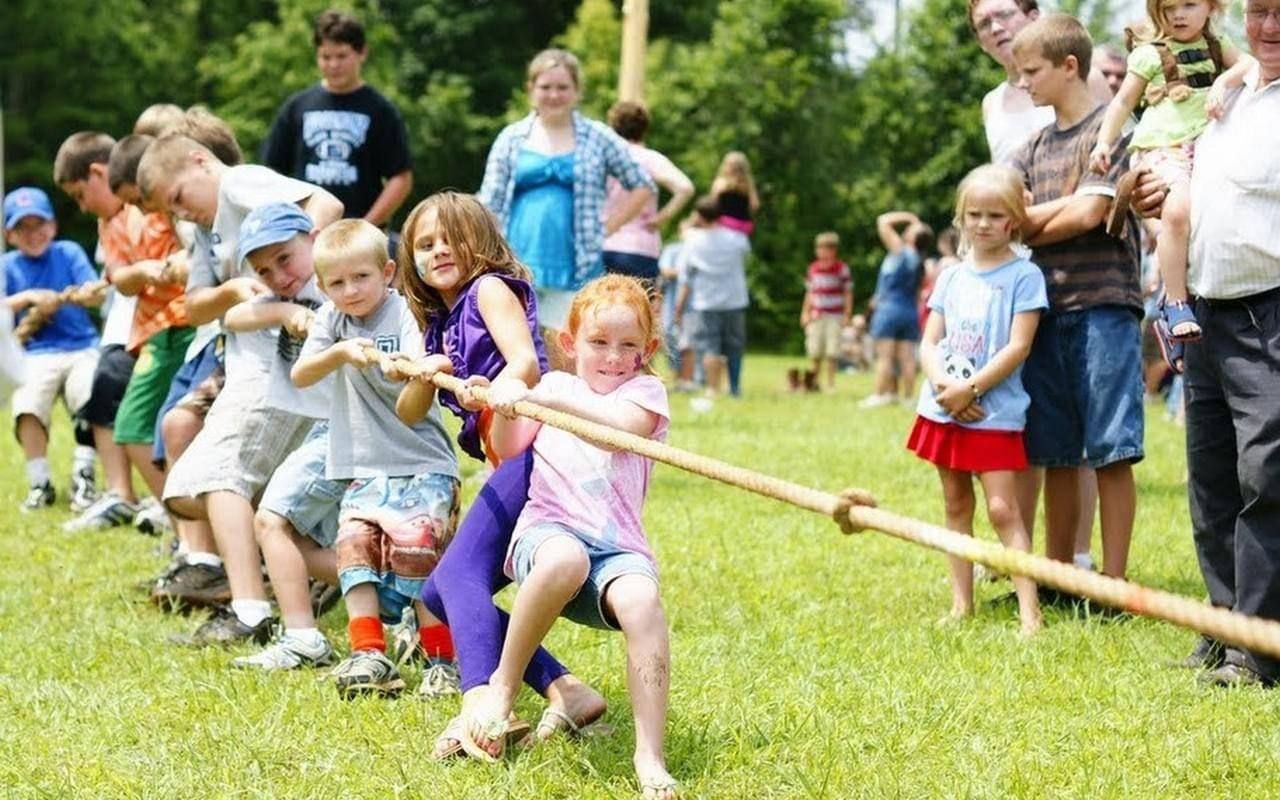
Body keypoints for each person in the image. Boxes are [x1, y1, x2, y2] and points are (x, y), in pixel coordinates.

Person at [394, 191, 603, 752]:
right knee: (441, 592)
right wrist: (425, 375)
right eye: (424, 244)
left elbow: (525, 361)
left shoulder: (488, 289)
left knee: (458, 576)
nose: (437, 251)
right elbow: (409, 411)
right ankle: (566, 689)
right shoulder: (437, 322)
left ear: (479, 242)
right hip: (506, 458)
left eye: (450, 239)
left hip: (536, 449)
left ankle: (480, 705)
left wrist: (499, 389)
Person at [459, 274, 678, 800]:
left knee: (643, 600)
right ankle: (502, 689)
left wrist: (545, 400)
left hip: (618, 549)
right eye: (599, 342)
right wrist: (502, 402)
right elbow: (508, 446)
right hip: (550, 534)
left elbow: (617, 425)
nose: (612, 356)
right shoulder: (553, 388)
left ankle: (650, 754)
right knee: (564, 558)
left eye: (628, 346)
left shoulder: (646, 393)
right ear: (570, 343)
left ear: (646, 351)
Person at [137, 133, 343, 646]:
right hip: (248, 359)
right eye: (171, 210)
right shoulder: (205, 231)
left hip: (275, 361)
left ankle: (251, 609)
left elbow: (327, 204)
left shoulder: (240, 184)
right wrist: (238, 288)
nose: (182, 213)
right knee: (201, 484)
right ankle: (288, 582)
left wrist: (297, 274)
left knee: (225, 475)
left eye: (180, 197)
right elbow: (199, 306)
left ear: (200, 161)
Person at [291, 219, 458, 698]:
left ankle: (442, 660)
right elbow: (303, 373)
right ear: (322, 287)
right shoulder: (331, 320)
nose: (350, 290)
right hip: (362, 465)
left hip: (421, 460)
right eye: (337, 283)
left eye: (361, 277)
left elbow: (413, 360)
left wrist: (401, 364)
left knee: (419, 555)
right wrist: (341, 352)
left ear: (387, 272)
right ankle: (369, 654)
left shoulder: (403, 312)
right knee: (354, 554)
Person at [1010, 14, 1144, 580]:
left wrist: (1027, 220)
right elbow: (999, 212)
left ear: (1070, 67)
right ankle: (1059, 572)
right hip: (1049, 311)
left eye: (1031, 71)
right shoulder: (1033, 146)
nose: (1023, 83)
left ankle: (1113, 580)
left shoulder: (1113, 132)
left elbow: (1094, 212)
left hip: (1104, 308)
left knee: (1111, 449)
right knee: (1056, 450)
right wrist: (1048, 214)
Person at [1174, 0, 1280, 688]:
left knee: (1268, 478)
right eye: (1260, 12)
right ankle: (1223, 624)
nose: (1268, 28)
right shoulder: (1236, 93)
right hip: (1205, 311)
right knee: (1211, 479)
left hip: (1269, 310)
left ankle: (1259, 648)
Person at [908, 164, 1046, 636]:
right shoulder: (950, 276)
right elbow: (929, 342)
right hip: (944, 406)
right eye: (973, 215)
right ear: (960, 218)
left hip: (993, 411)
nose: (983, 224)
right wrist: (947, 386)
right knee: (954, 504)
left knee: (1003, 509)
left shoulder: (1025, 276)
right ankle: (961, 603)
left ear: (1013, 219)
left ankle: (1030, 611)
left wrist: (973, 388)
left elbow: (1018, 346)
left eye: (994, 215)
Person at [1090, 0, 1253, 341]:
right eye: (1169, 7)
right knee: (1177, 213)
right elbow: (1122, 102)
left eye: (1189, 5)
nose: (1178, 15)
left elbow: (1249, 65)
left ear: (1211, 7)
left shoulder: (1216, 46)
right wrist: (1104, 142)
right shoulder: (1151, 54)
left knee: (1206, 226)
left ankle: (1180, 307)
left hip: (1205, 150)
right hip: (1164, 149)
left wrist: (1223, 83)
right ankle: (1176, 301)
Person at [225, 203, 343, 672]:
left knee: (273, 522)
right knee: (322, 542)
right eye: (263, 269)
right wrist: (286, 309)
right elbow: (234, 317)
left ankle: (303, 637)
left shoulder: (340, 289)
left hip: (338, 432)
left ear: (314, 239)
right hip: (319, 433)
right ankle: (407, 596)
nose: (277, 274)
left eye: (285, 258)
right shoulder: (289, 299)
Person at [56, 131, 194, 532]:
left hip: (189, 324)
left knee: (179, 426)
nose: (82, 208)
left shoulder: (154, 203)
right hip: (152, 333)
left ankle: (196, 538)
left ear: (98, 173)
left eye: (81, 195)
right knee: (133, 424)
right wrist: (135, 273)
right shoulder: (108, 224)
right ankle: (182, 527)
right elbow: (124, 280)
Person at [477, 48, 655, 341]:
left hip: (577, 265)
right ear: (531, 89)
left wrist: (607, 228)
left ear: (577, 91)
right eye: (545, 87)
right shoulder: (510, 138)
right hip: (515, 263)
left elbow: (642, 184)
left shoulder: (597, 137)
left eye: (563, 87)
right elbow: (489, 203)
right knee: (516, 351)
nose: (554, 95)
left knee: (570, 350)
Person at [261, 9, 413, 228]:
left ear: (362, 53)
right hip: (306, 230)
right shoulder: (297, 107)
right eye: (325, 57)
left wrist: (365, 226)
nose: (333, 65)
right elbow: (271, 171)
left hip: (360, 232)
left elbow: (401, 178)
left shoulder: (380, 110)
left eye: (342, 56)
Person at [2, 187, 100, 512]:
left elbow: (96, 294)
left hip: (80, 346)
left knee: (88, 393)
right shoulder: (8, 265)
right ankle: (39, 482)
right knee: (27, 404)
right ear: (10, 234)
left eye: (39, 224)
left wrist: (77, 295)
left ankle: (84, 476)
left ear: (53, 226)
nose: (33, 234)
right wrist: (31, 297)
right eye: (23, 227)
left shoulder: (69, 252)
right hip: (34, 352)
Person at [969, 0, 1113, 164]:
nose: (995, 28)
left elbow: (1120, 148)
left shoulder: (1083, 78)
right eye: (984, 24)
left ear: (1034, 18)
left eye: (1005, 14)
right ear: (981, 43)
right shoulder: (991, 103)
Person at [601, 101, 695, 283]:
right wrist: (661, 218)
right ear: (644, 128)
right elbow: (685, 187)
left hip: (604, 243)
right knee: (640, 309)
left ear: (613, 126)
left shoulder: (603, 158)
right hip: (640, 247)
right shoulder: (651, 159)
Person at [674, 196, 751, 400]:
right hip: (735, 299)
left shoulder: (692, 239)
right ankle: (734, 388)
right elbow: (746, 254)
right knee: (734, 345)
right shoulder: (737, 238)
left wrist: (679, 307)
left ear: (699, 215)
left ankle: (712, 388)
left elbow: (685, 276)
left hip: (705, 301)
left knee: (710, 346)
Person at [862, 211, 933, 408]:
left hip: (889, 309)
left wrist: (910, 217)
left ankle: (880, 394)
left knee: (885, 355)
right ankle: (909, 398)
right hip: (910, 311)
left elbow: (882, 220)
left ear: (913, 237)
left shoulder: (900, 250)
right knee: (907, 357)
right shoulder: (920, 261)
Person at [800, 231, 853, 391]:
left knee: (832, 351)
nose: (819, 251)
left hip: (835, 316)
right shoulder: (813, 269)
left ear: (833, 250)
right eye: (818, 248)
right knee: (814, 350)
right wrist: (805, 312)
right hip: (817, 315)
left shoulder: (841, 269)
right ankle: (814, 382)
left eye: (823, 248)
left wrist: (847, 314)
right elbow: (810, 293)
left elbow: (848, 292)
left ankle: (830, 383)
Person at [710, 151, 760, 236]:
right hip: (745, 226)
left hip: (724, 223)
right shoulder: (748, 185)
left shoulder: (720, 183)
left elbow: (712, 204)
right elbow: (755, 205)